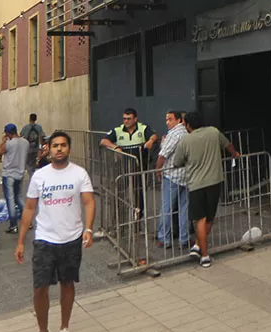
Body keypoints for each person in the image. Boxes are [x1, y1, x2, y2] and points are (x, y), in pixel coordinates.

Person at [14, 132, 94, 332]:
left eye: (63, 145)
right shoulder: (39, 176)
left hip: (71, 239)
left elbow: (89, 201)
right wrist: (20, 241)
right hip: (44, 240)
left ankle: (64, 328)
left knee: (67, 283)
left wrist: (88, 229)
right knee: (40, 288)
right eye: (55, 145)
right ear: (48, 148)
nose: (59, 149)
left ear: (69, 148)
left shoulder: (79, 173)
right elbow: (29, 209)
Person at [171, 112, 240, 269]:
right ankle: (197, 246)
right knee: (210, 217)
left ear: (188, 125)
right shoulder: (213, 132)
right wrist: (234, 154)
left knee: (199, 219)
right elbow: (228, 145)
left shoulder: (185, 140)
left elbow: (177, 162)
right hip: (215, 181)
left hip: (196, 184)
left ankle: (204, 255)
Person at [102, 108, 156, 219]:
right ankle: (119, 215)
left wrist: (150, 141)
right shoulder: (118, 130)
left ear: (135, 119)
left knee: (138, 190)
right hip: (123, 167)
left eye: (129, 119)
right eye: (124, 119)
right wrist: (115, 147)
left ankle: (138, 214)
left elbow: (154, 135)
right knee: (119, 189)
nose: (126, 121)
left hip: (139, 166)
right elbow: (103, 141)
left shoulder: (143, 128)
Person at [155, 111, 191, 249]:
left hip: (172, 175)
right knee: (184, 209)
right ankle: (184, 239)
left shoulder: (174, 134)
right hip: (186, 176)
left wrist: (158, 170)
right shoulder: (187, 133)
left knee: (167, 209)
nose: (167, 122)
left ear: (178, 120)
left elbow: (163, 155)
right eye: (166, 119)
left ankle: (164, 238)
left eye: (170, 119)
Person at [0, 125, 28, 235]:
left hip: (9, 174)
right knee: (18, 197)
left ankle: (13, 225)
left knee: (10, 200)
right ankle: (28, 221)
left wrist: (3, 142)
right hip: (20, 173)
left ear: (8, 133)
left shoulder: (9, 144)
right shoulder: (25, 142)